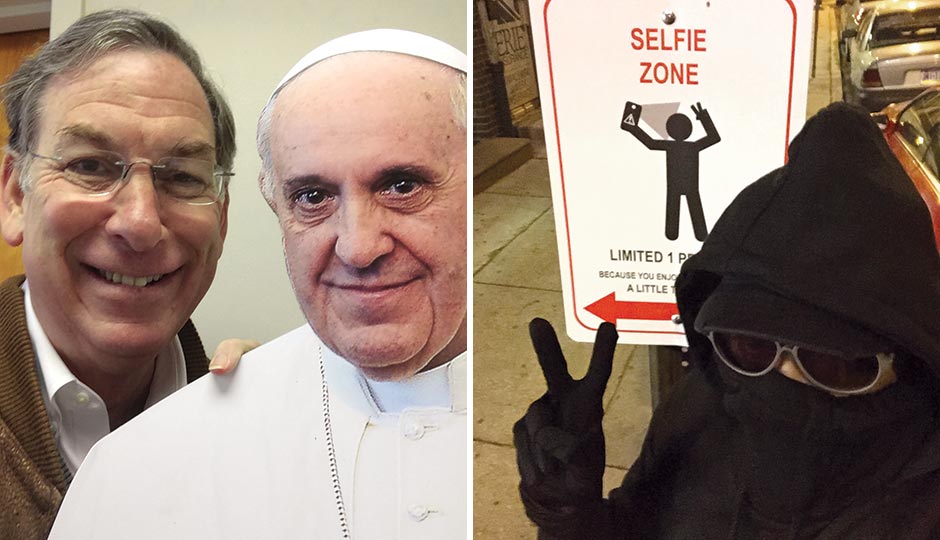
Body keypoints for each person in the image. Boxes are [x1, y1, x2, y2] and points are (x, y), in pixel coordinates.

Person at [48, 29, 467, 540]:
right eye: (313, 196)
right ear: (276, 207)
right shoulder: (132, 468)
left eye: (403, 186)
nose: (357, 247)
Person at [515, 102, 940, 539]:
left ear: (906, 360)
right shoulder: (697, 409)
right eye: (751, 346)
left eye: (833, 361)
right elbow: (636, 526)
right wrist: (571, 518)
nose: (784, 376)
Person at [0, 9, 251, 539]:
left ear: (222, 219)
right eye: (90, 165)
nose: (140, 222)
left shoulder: (257, 422)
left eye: (182, 177)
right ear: (16, 196)